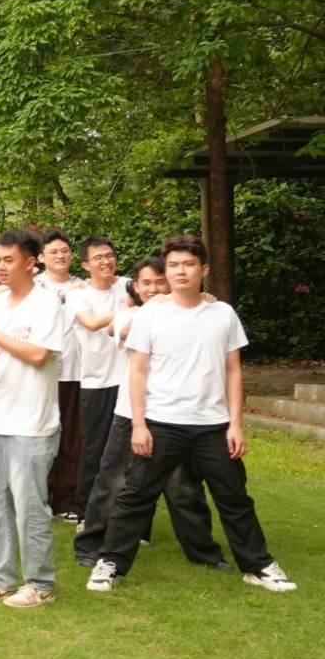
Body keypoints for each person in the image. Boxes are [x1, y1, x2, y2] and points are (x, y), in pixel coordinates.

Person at [87, 235, 296, 593]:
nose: (180, 271)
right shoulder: (150, 314)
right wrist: (139, 424)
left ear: (204, 269)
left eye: (188, 264)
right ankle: (111, 563)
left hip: (213, 425)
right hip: (161, 422)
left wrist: (236, 424)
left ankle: (258, 565)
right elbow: (138, 371)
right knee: (135, 497)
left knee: (234, 497)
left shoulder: (222, 314)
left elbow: (233, 370)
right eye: (173, 265)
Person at [72, 257, 227, 570]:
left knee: (183, 487)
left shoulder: (194, 313)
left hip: (176, 415)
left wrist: (199, 303)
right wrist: (159, 305)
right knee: (112, 481)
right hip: (131, 414)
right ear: (136, 287)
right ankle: (91, 547)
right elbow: (121, 328)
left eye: (159, 282)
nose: (154, 288)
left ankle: (203, 552)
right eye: (146, 283)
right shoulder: (130, 314)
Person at [0, 231, 66, 608]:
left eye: (9, 260)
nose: (0, 267)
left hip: (31, 423)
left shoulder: (46, 304)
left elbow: (39, 355)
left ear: (30, 263)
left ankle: (41, 583)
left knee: (30, 507)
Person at [67, 237, 131, 516]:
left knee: (129, 453)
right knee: (94, 450)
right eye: (98, 258)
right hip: (96, 382)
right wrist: (128, 308)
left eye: (110, 255)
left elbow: (159, 290)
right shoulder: (78, 294)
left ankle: (125, 515)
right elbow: (92, 323)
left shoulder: (126, 286)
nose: (106, 261)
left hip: (128, 380)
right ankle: (86, 513)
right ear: (85, 265)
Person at [36, 230, 85, 521]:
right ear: (41, 257)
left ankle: (66, 501)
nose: (60, 255)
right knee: (41, 436)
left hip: (77, 373)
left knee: (72, 439)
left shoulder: (83, 285)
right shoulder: (33, 287)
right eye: (53, 251)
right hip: (42, 373)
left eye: (65, 250)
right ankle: (38, 498)